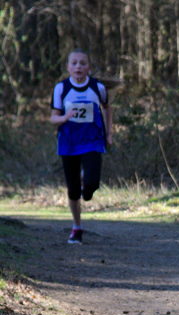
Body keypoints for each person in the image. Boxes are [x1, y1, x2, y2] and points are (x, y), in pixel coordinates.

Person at [50, 49, 113, 244]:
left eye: (83, 63)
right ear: (68, 67)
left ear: (89, 67)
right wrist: (64, 117)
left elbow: (108, 108)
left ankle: (88, 186)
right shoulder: (61, 88)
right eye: (74, 63)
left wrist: (109, 133)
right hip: (69, 143)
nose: (78, 66)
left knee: (92, 183)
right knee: (73, 190)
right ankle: (76, 227)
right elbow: (53, 118)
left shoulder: (98, 88)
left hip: (93, 140)